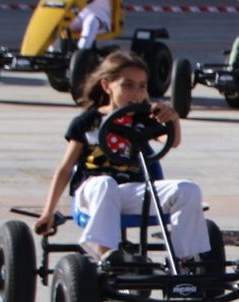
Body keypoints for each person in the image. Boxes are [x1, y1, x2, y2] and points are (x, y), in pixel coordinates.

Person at [34, 50, 207, 266]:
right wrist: (48, 212)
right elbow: (65, 168)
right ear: (107, 86)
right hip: (92, 192)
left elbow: (171, 140)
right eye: (127, 85)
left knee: (188, 189)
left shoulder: (143, 120)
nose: (136, 93)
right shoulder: (88, 122)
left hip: (129, 192)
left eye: (142, 86)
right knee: (106, 184)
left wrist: (172, 119)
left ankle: (187, 262)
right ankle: (107, 254)